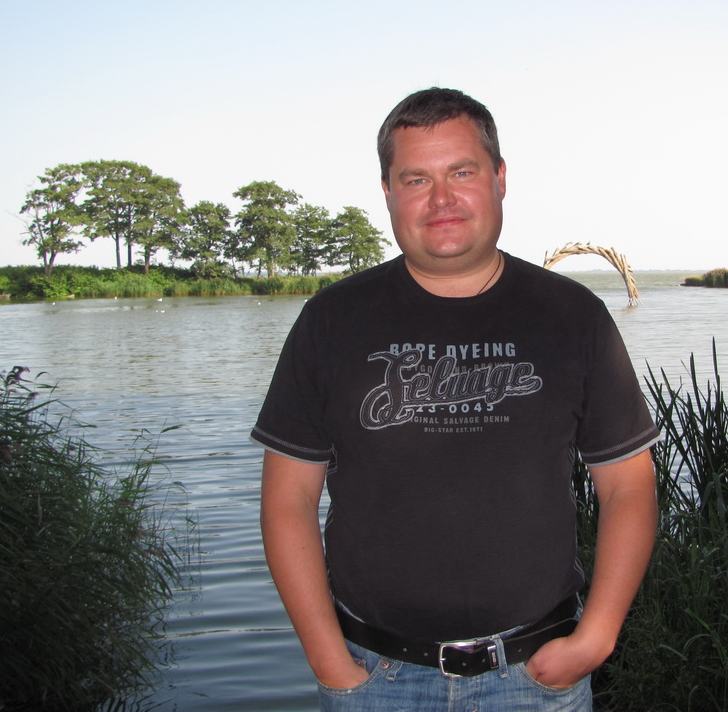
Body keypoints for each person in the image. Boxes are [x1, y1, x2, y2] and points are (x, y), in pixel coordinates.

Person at [253, 87, 660, 711]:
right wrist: (328, 660)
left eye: (462, 173)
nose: (441, 198)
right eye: (416, 179)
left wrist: (597, 636)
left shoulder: (573, 316)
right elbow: (289, 499)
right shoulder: (330, 321)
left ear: (500, 178)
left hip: (535, 678)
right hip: (375, 679)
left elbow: (629, 485)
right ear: (388, 192)